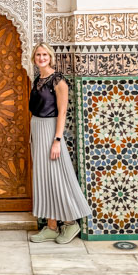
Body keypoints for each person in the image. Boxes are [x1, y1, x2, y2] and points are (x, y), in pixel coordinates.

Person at [28, 42, 90, 244]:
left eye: (45, 54)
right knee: (44, 178)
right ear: (34, 58)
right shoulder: (38, 79)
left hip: (51, 131)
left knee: (57, 176)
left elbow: (62, 112)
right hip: (37, 129)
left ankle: (71, 222)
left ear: (50, 57)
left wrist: (57, 140)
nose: (41, 58)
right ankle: (52, 226)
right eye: (38, 54)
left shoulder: (58, 81)